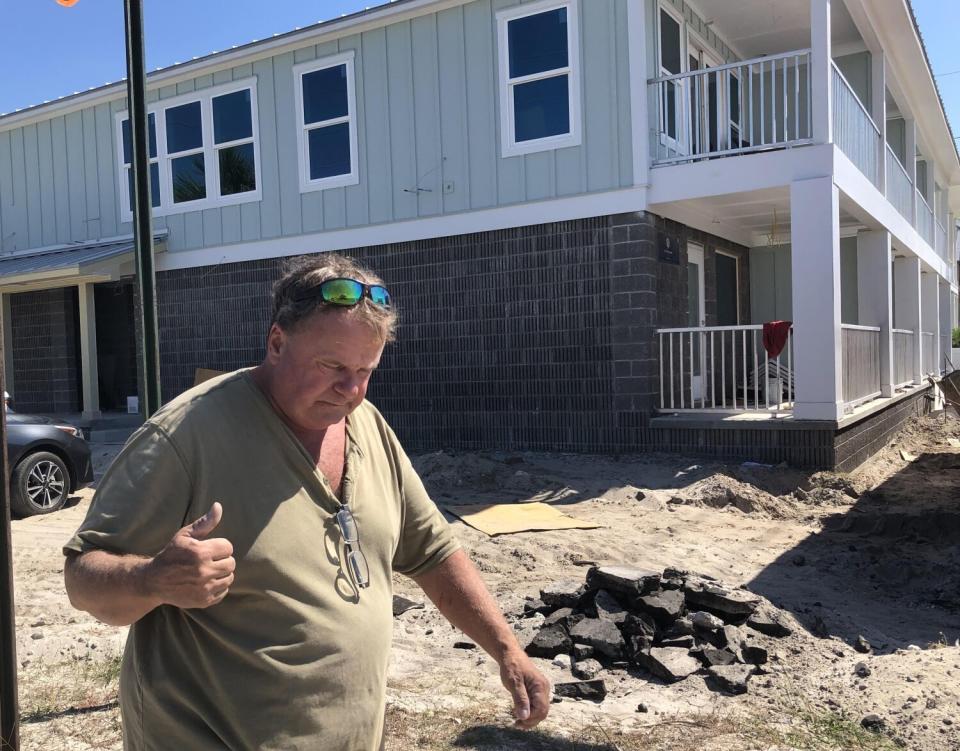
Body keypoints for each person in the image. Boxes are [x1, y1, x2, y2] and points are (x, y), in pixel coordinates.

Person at [63, 254, 550, 751]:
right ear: (277, 342)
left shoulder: (368, 427)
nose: (352, 390)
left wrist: (508, 650)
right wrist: (152, 580)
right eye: (332, 366)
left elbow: (431, 552)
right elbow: (83, 577)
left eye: (366, 370)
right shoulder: (185, 436)